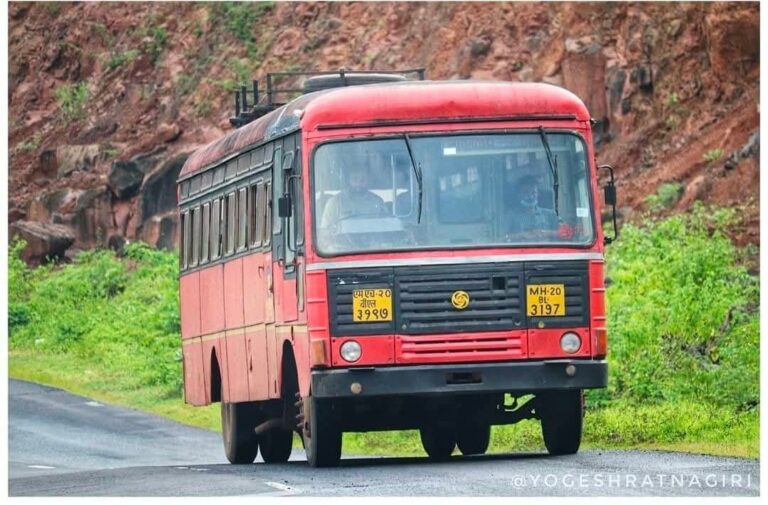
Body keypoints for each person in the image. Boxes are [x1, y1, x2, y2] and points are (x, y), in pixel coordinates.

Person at [320, 168, 386, 230]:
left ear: (368, 181)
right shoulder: (334, 202)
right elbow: (325, 231)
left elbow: (386, 226)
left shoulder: (378, 202)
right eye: (355, 179)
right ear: (348, 180)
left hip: (374, 241)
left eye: (363, 180)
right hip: (342, 242)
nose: (359, 184)